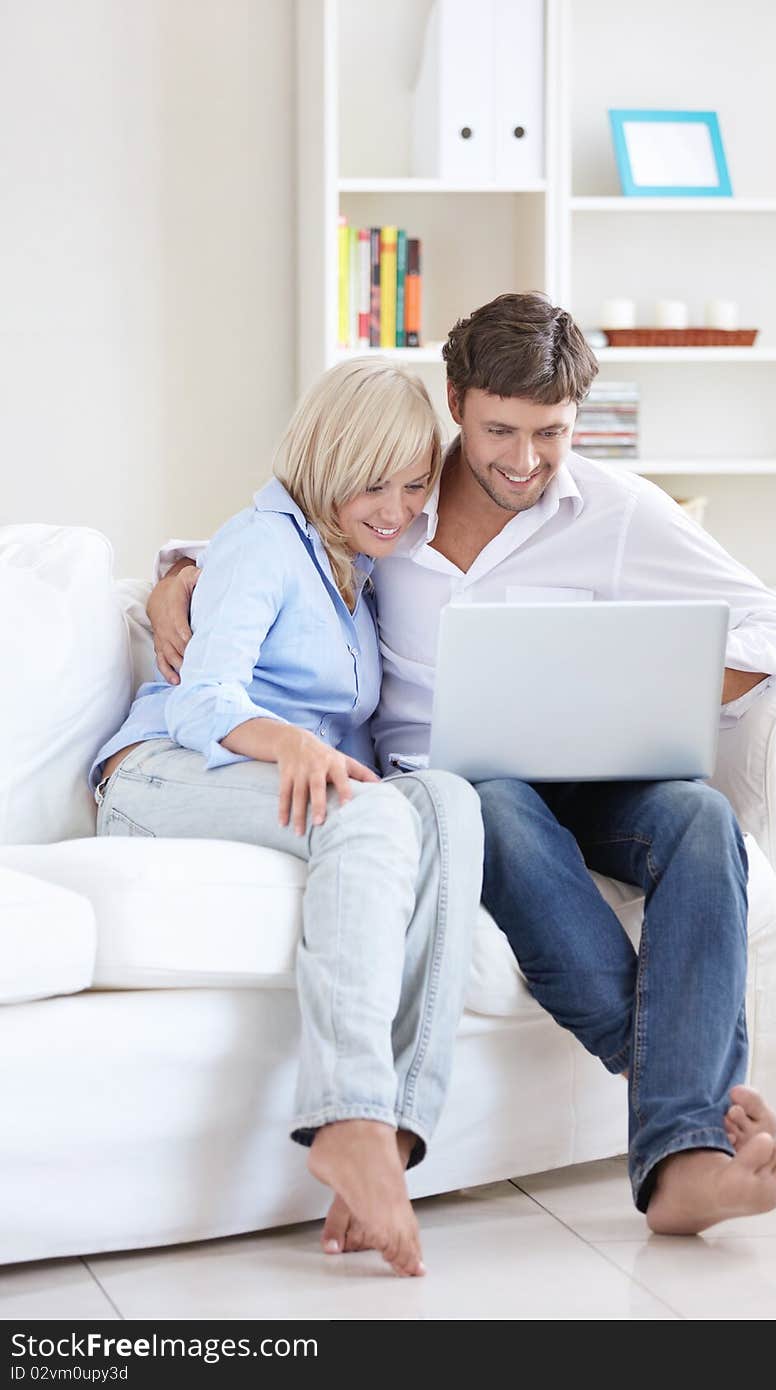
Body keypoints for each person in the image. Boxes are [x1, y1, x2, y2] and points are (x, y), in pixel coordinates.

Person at [151, 293, 776, 1236]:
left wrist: (644, 664)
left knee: (704, 820)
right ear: (456, 402)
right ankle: (692, 1137)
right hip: (460, 782)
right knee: (490, 802)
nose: (523, 459)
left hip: (601, 769)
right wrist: (179, 579)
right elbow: (273, 540)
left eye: (550, 433)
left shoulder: (619, 510)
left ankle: (688, 1137)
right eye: (500, 428)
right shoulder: (394, 502)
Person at [90, 358, 485, 1277]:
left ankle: (394, 1136)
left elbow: (206, 558)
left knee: (453, 804)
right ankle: (349, 1114)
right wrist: (295, 744)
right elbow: (202, 702)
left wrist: (175, 567)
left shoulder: (361, 560)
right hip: (161, 776)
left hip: (271, 777)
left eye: (414, 483)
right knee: (371, 813)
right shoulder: (264, 545)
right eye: (370, 483)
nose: (394, 507)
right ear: (324, 465)